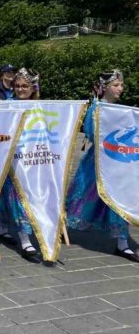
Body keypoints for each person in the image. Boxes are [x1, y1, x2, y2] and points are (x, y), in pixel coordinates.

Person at [66, 70, 137, 262]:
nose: (120, 89)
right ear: (104, 88)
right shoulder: (97, 108)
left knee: (118, 198)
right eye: (116, 85)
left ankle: (122, 242)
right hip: (96, 162)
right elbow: (89, 132)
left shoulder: (120, 110)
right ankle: (60, 226)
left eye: (121, 85)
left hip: (116, 164)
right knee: (81, 197)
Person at [0, 68, 39, 261]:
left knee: (26, 197)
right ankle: (24, 239)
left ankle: (5, 229)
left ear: (33, 88)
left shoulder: (41, 108)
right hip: (12, 159)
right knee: (13, 197)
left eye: (25, 86)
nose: (21, 89)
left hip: (33, 160)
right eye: (18, 86)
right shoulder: (7, 105)